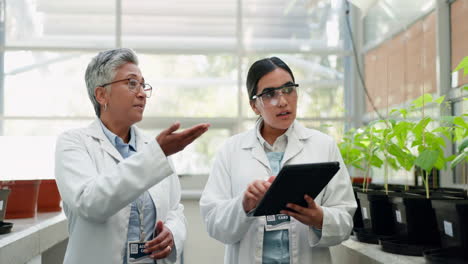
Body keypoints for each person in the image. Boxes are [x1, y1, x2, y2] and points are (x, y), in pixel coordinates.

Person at [55, 48, 210, 264]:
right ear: (101, 95)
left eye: (142, 84)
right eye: (131, 83)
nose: (142, 93)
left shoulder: (153, 146)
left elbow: (175, 209)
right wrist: (157, 154)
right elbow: (90, 203)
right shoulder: (74, 143)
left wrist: (172, 234)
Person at [200, 57, 356, 264]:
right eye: (270, 94)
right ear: (254, 105)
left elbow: (345, 219)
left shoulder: (323, 146)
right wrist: (244, 204)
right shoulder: (231, 151)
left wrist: (320, 218)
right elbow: (213, 223)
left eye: (288, 89)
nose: (282, 101)